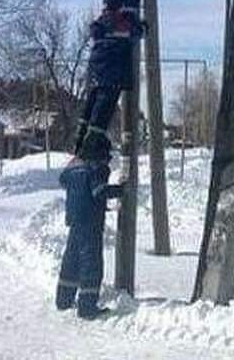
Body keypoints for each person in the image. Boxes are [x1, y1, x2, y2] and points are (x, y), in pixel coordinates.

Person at [56, 151, 122, 320]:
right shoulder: (95, 168)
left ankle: (63, 300)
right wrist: (122, 189)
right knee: (91, 264)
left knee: (72, 260)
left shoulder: (74, 167)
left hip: (74, 220)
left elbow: (64, 181)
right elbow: (99, 191)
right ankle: (87, 307)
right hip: (90, 222)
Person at [75, 35, 134, 161]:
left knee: (92, 101)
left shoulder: (100, 31)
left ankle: (81, 139)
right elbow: (136, 32)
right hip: (114, 69)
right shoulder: (121, 29)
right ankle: (90, 146)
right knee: (103, 107)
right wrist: (139, 29)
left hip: (97, 68)